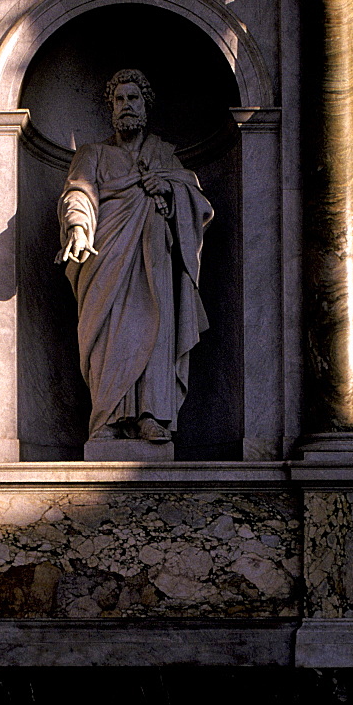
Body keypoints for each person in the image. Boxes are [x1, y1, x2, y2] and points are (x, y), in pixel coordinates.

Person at [57, 69, 213, 443]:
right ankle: (107, 419)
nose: (126, 106)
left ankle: (150, 414)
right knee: (109, 335)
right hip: (106, 256)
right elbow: (77, 192)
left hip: (154, 259)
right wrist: (78, 226)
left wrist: (172, 190)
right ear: (110, 107)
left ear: (145, 105)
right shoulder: (92, 154)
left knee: (156, 330)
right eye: (120, 99)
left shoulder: (164, 155)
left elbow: (197, 201)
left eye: (134, 98)